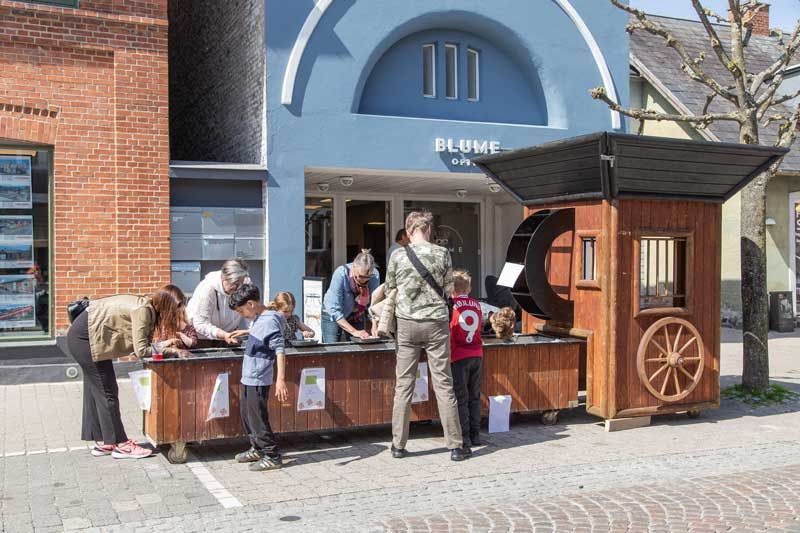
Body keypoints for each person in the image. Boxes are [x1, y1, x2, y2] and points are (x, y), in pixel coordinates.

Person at [65, 285, 193, 460]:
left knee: (97, 390)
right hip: (85, 341)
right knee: (107, 392)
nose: (177, 314)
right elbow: (141, 351)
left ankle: (106, 442)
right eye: (176, 309)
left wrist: (163, 345)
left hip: (86, 339)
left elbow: (140, 346)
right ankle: (122, 445)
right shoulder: (143, 311)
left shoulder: (148, 306)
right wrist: (173, 351)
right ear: (166, 306)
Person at [386, 211, 469, 461]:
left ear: (409, 231)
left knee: (404, 386)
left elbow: (391, 288)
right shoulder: (442, 254)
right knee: (444, 384)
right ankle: (455, 445)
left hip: (407, 323)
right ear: (429, 230)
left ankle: (398, 445)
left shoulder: (398, 255)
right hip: (436, 323)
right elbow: (449, 289)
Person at [228, 284, 288, 471]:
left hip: (259, 376)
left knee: (257, 418)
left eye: (241, 310)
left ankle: (272, 455)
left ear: (251, 304)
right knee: (247, 415)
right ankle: (257, 448)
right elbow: (262, 335)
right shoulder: (259, 318)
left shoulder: (269, 320)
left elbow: (279, 349)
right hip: (249, 376)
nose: (241, 314)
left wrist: (280, 379)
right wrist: (246, 332)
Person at [449, 270, 484, 447]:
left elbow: (450, 330)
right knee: (474, 396)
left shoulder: (451, 305)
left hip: (459, 356)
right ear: (469, 288)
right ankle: (476, 434)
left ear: (451, 289)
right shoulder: (477, 305)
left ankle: (464, 437)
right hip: (477, 354)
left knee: (461, 397)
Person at [186, 258, 250, 345]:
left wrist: (251, 330)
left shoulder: (245, 283)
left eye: (241, 284)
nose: (238, 289)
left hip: (229, 336)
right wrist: (223, 335)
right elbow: (200, 323)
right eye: (234, 285)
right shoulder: (207, 289)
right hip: (203, 339)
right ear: (223, 278)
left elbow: (250, 313)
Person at [321, 249, 380, 343]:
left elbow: (373, 305)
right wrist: (354, 332)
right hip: (333, 313)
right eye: (360, 276)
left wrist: (375, 325)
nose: (363, 280)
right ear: (354, 267)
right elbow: (334, 310)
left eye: (367, 277)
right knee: (332, 348)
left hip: (356, 314)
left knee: (359, 346)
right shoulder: (341, 274)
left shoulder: (375, 275)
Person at [151, 285, 198, 350]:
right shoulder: (161, 328)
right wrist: (170, 342)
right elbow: (155, 347)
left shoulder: (189, 328)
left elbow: (193, 343)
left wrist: (181, 335)